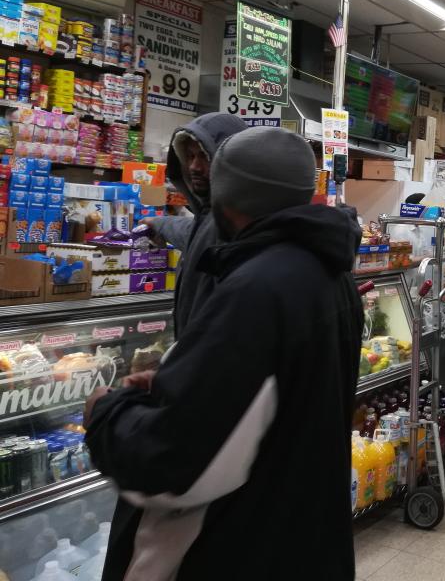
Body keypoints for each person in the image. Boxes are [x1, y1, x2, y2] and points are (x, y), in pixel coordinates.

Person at [84, 127, 363, 580]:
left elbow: (170, 459)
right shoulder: (330, 273)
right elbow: (265, 395)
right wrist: (181, 377)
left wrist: (105, 412)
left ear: (226, 195)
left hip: (237, 543)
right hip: (301, 535)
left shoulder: (256, 288)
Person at [144, 112, 248, 334]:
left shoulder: (236, 221)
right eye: (189, 157)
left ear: (230, 160)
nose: (194, 167)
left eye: (204, 156)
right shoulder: (210, 216)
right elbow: (193, 233)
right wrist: (160, 223)